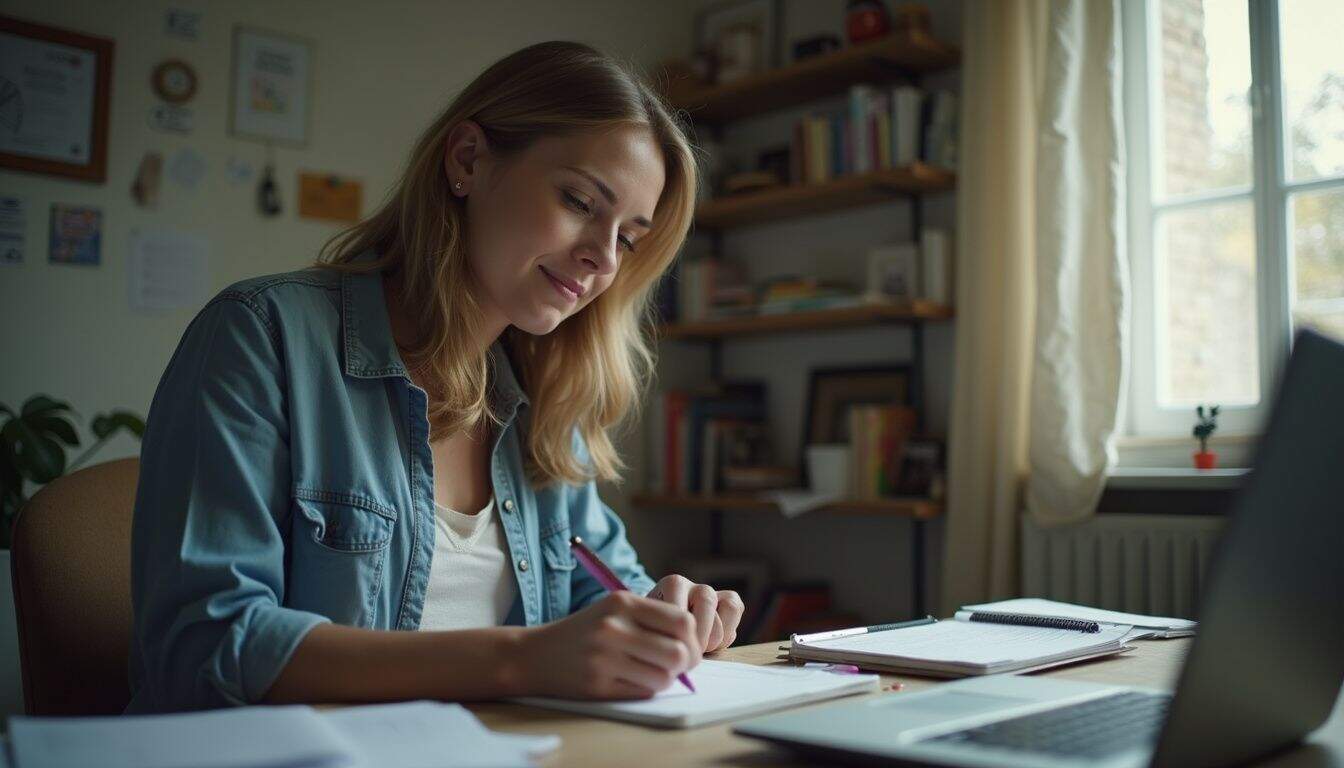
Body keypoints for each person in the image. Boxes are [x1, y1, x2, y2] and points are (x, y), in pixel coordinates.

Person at [127, 40, 744, 713]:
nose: (602, 257)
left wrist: (671, 617)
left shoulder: (545, 396)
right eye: (579, 201)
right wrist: (519, 660)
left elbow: (602, 597)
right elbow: (207, 646)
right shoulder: (260, 335)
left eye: (628, 237)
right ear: (467, 160)